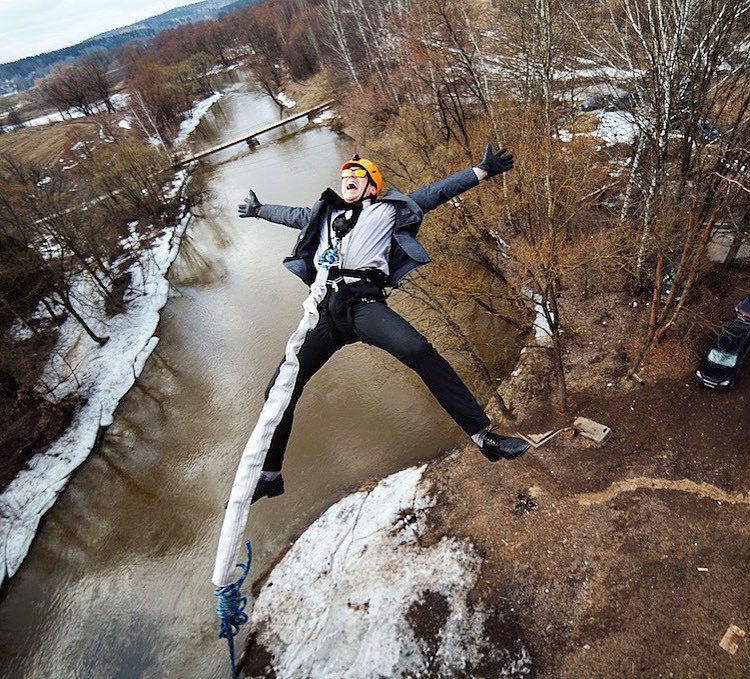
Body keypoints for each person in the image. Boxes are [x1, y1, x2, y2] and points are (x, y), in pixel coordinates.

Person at [238, 144, 530, 503]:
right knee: (279, 388)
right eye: (344, 176)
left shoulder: (388, 211)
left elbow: (434, 192)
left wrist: (481, 171)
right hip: (326, 310)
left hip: (364, 305)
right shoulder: (326, 213)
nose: (347, 180)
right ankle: (270, 474)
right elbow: (293, 215)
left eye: (356, 176)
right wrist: (258, 210)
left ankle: (483, 436)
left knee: (419, 350)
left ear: (372, 185)